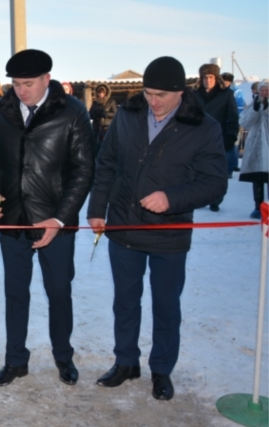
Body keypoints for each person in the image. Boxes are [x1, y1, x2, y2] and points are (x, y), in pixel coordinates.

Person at [87, 56, 227, 401]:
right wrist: (96, 208)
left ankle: (161, 369)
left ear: (181, 91)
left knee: (166, 306)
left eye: (162, 94)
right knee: (125, 301)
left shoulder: (203, 126)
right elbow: (106, 163)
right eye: (149, 92)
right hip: (123, 225)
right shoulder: (127, 115)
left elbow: (215, 183)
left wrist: (173, 197)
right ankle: (125, 362)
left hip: (169, 233)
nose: (154, 101)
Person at [0, 49, 94, 387]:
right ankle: (15, 360)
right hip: (13, 219)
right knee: (15, 293)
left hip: (55, 223)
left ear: (47, 79)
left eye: (28, 84)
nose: (21, 91)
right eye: (16, 84)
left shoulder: (72, 112)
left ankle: (63, 357)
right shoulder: (1, 109)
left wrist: (59, 220)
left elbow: (84, 170)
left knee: (59, 291)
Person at [194, 63, 239, 211]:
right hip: (197, 139)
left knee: (217, 172)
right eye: (205, 77)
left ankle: (215, 199)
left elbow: (233, 117)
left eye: (211, 77)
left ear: (216, 78)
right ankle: (199, 197)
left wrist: (230, 137)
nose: (208, 80)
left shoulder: (226, 94)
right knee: (197, 171)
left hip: (218, 139)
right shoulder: (194, 94)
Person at [239, 80, 269, 219]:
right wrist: (256, 110)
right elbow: (245, 122)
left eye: (267, 90)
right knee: (257, 177)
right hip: (256, 145)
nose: (264, 93)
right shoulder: (253, 104)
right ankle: (258, 206)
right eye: (262, 90)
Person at [89, 83, 117, 153]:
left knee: (107, 145)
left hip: (106, 128)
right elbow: (90, 114)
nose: (101, 95)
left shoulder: (111, 102)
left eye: (102, 93)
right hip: (96, 127)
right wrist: (95, 114)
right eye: (99, 93)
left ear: (106, 93)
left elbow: (115, 114)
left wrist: (106, 114)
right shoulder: (95, 103)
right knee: (96, 145)